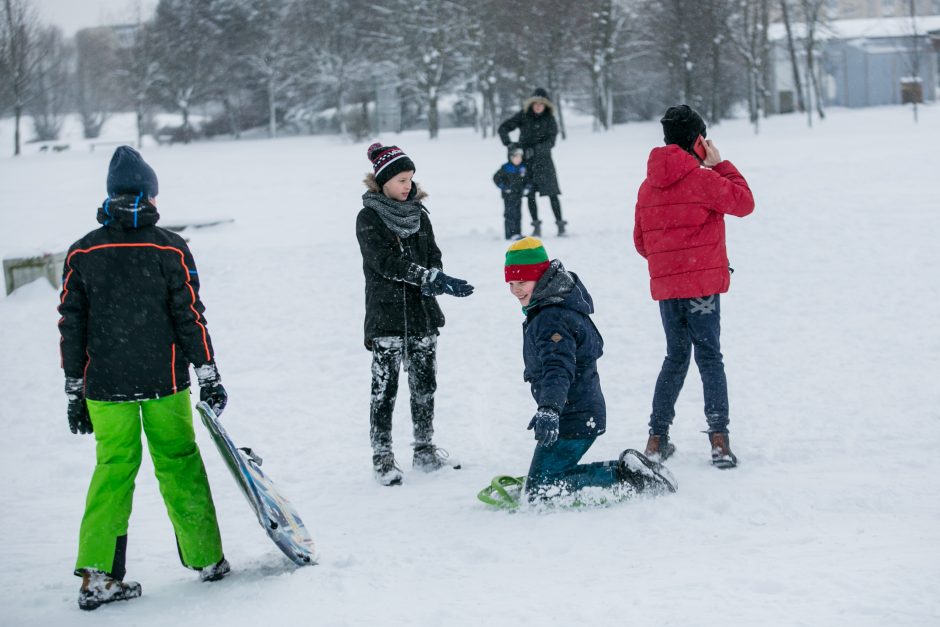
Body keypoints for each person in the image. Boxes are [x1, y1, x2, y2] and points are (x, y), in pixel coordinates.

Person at [58, 146, 230, 611]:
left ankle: (98, 575)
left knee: (113, 470)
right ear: (151, 195)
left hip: (105, 387)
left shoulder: (83, 251)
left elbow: (70, 325)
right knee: (179, 461)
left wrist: (74, 389)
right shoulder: (168, 246)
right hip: (164, 380)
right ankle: (207, 558)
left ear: (110, 195)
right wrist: (207, 371)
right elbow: (190, 315)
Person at [504, 237, 676, 502]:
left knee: (540, 491)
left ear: (541, 277)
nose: (516, 290)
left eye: (522, 282)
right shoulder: (552, 307)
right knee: (546, 480)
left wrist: (549, 408)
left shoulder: (551, 318)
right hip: (576, 411)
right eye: (511, 284)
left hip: (573, 416)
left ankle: (627, 478)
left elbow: (557, 368)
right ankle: (627, 470)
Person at [633, 104, 755, 469]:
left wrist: (671, 261)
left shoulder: (647, 185)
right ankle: (719, 441)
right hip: (701, 287)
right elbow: (745, 203)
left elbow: (642, 242)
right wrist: (720, 165)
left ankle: (656, 440)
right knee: (709, 357)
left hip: (668, 289)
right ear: (698, 140)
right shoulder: (705, 180)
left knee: (675, 357)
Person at [357, 142, 474, 486]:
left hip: (422, 315)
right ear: (383, 182)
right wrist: (427, 277)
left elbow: (433, 254)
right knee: (385, 390)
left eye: (410, 179)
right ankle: (382, 456)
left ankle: (424, 450)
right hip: (386, 319)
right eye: (400, 180)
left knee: (425, 386)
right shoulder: (368, 218)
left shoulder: (420, 214)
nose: (407, 186)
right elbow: (385, 263)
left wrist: (436, 274)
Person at [498, 88, 565, 237]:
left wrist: (536, 150)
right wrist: (509, 144)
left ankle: (560, 224)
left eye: (541, 103)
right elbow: (503, 128)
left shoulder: (550, 119)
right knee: (530, 195)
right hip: (527, 164)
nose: (538, 106)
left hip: (545, 162)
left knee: (553, 194)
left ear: (546, 105)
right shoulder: (523, 116)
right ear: (531, 104)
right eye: (535, 103)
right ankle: (536, 225)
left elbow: (551, 141)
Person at [492, 144, 530, 240]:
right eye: (515, 157)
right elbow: (496, 178)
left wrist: (527, 187)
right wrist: (504, 187)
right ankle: (510, 234)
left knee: (518, 214)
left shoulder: (523, 168)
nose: (518, 159)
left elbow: (528, 179)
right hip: (508, 196)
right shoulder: (505, 168)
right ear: (510, 157)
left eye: (520, 157)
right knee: (509, 214)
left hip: (518, 195)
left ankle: (517, 233)